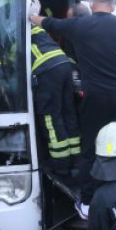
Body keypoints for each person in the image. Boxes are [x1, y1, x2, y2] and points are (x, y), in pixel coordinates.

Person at [28, 0, 116, 219]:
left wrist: (34, 15)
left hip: (96, 99)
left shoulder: (79, 26)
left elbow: (49, 23)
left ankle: (86, 203)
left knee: (90, 150)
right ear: (112, 5)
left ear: (93, 4)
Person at [31, 23, 80, 173]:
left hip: (47, 69)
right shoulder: (35, 27)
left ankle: (61, 163)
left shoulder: (12, 31)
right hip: (63, 64)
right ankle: (76, 160)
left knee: (51, 117)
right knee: (68, 112)